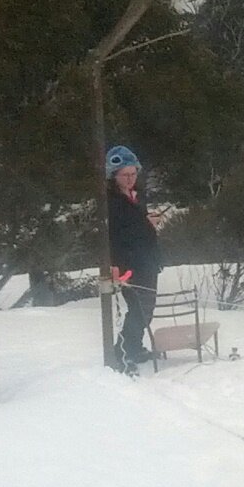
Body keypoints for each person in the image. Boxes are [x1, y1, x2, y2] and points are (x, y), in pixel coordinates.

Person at [105, 144, 163, 369]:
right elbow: (118, 233)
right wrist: (146, 223)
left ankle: (135, 347)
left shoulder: (138, 196)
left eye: (133, 173)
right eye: (124, 175)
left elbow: (139, 227)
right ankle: (121, 351)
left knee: (147, 308)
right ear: (114, 175)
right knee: (138, 308)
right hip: (128, 262)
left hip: (148, 260)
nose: (130, 178)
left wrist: (149, 222)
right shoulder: (111, 201)